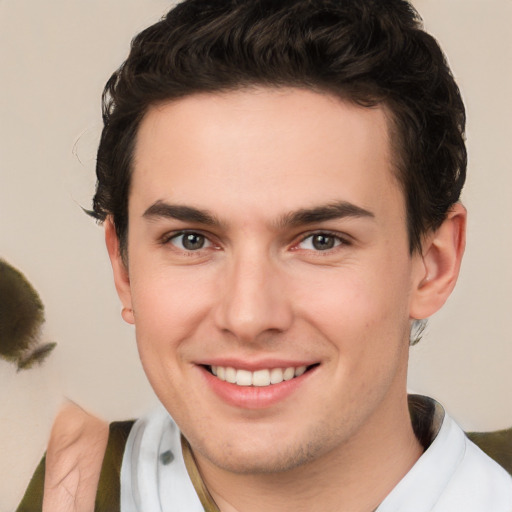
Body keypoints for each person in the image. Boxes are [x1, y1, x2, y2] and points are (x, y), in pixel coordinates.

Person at [16, 0, 512, 510]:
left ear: (434, 264)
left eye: (321, 240)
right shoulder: (50, 482)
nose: (248, 316)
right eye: (191, 239)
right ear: (123, 268)